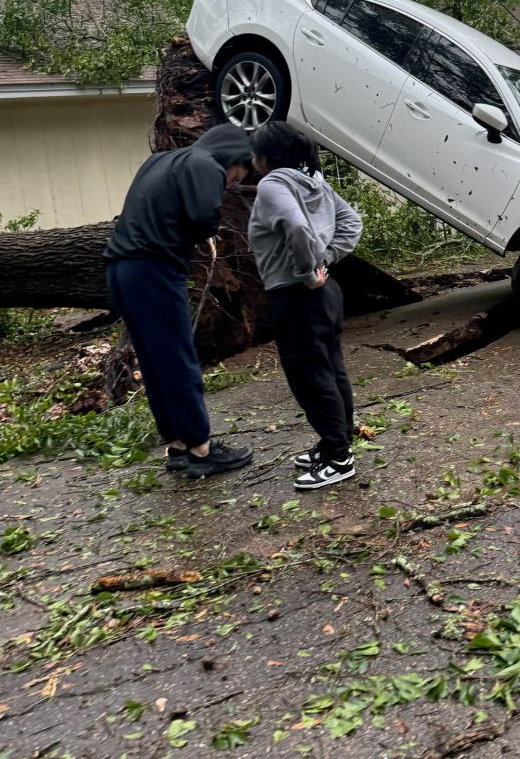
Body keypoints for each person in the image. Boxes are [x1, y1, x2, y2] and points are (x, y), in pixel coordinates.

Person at [105, 125, 255, 479]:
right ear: (233, 158)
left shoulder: (160, 160)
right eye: (238, 174)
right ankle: (202, 449)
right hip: (154, 269)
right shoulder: (206, 164)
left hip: (120, 269)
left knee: (156, 363)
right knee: (177, 358)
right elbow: (204, 216)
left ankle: (177, 445)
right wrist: (208, 231)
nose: (232, 182)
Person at [247, 121, 362, 490]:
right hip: (325, 294)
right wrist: (326, 258)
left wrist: (308, 269)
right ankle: (337, 442)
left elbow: (296, 227)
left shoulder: (272, 184)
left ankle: (338, 457)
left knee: (310, 377)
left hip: (297, 294)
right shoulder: (314, 181)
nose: (251, 159)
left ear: (265, 157)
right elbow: (352, 222)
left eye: (254, 152)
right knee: (330, 369)